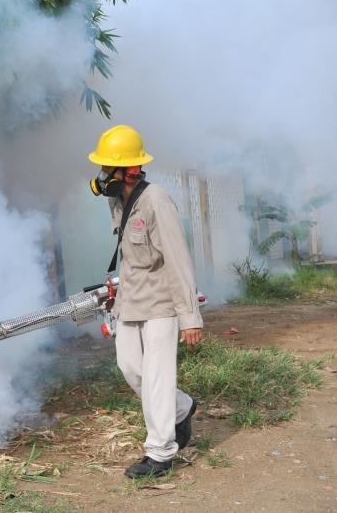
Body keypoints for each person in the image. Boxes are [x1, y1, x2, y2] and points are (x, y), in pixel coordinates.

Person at [87, 124, 203, 478]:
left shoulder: (156, 201)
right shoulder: (117, 200)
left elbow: (177, 259)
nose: (103, 175)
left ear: (131, 170)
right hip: (131, 301)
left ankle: (160, 453)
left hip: (162, 304)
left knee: (156, 376)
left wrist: (189, 317)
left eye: (109, 169)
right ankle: (182, 407)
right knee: (132, 369)